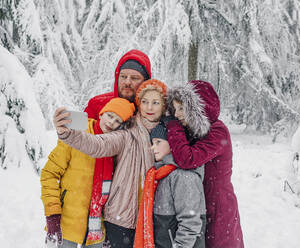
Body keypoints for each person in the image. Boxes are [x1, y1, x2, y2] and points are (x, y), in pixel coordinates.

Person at [53, 79, 167, 248]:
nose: (149, 107)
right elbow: (99, 144)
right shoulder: (127, 133)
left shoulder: (170, 134)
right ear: (139, 104)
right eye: (145, 102)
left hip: (152, 219)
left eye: (155, 102)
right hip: (120, 218)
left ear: (164, 105)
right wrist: (68, 134)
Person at [40, 97, 135, 248]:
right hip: (66, 222)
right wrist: (52, 213)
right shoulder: (75, 136)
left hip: (96, 230)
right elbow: (49, 174)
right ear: (101, 114)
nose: (111, 123)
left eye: (117, 121)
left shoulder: (116, 148)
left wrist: (110, 229)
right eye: (110, 116)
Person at [166, 80, 244, 248]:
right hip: (199, 201)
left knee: (219, 243)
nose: (177, 115)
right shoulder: (193, 130)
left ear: (196, 109)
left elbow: (188, 159)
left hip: (218, 202)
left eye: (181, 109)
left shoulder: (217, 130)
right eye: (175, 109)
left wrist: (173, 126)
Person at [134, 122, 206, 248]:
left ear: (173, 143)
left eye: (158, 142)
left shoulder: (183, 176)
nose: (152, 147)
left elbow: (190, 223)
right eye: (152, 143)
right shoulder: (159, 173)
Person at [84, 49, 151, 120]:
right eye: (123, 77)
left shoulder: (153, 112)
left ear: (145, 82)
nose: (127, 82)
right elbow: (77, 129)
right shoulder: (97, 104)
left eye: (134, 78)